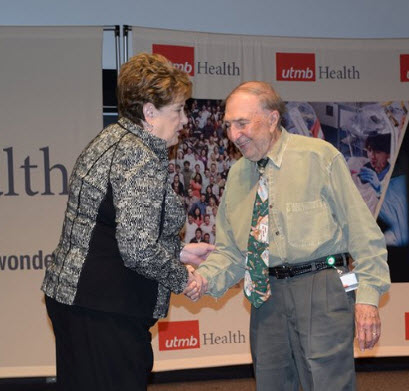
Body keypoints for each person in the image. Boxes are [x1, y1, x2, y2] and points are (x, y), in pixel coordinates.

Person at [186, 81, 390, 391]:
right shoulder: (238, 175)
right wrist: (201, 280)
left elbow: (363, 234)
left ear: (271, 118)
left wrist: (369, 300)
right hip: (265, 295)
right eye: (228, 125)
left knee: (327, 384)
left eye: (242, 123)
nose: (233, 134)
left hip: (322, 287)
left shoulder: (319, 157)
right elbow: (231, 253)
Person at [41, 53, 213, 391]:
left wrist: (178, 253)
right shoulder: (140, 156)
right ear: (150, 112)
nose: (183, 120)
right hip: (105, 310)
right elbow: (137, 248)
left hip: (78, 302)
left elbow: (113, 228)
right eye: (177, 110)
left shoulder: (110, 140)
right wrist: (183, 278)